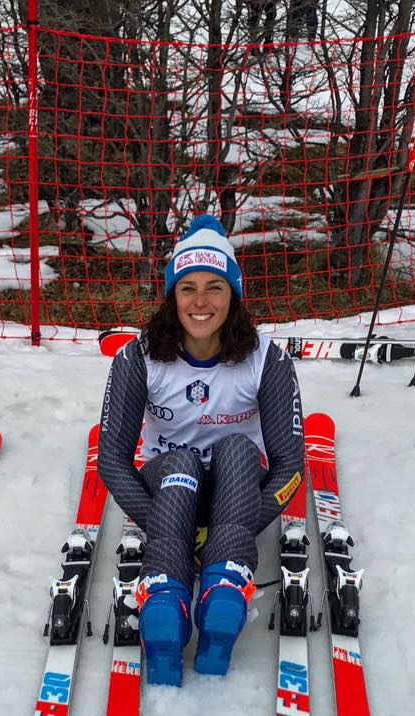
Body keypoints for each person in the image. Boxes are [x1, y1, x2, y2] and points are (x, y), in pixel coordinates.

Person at [97, 215, 305, 686]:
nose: (201, 301)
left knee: (236, 449)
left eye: (215, 286)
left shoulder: (266, 358)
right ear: (172, 295)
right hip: (170, 484)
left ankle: (222, 588)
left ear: (234, 294)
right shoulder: (138, 355)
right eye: (187, 287)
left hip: (237, 487)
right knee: (180, 461)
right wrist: (170, 523)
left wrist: (241, 523)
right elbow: (112, 458)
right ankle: (168, 601)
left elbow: (290, 465)